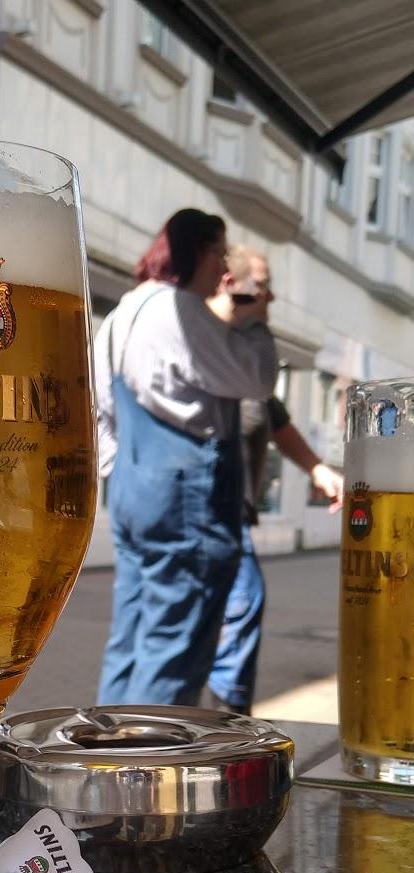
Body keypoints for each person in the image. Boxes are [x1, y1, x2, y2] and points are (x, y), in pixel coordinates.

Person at [94, 209, 278, 706]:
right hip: (185, 496)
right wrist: (256, 323)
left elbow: (101, 416)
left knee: (130, 640)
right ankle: (143, 767)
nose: (223, 268)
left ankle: (101, 758)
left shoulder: (118, 317)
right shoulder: (177, 308)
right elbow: (255, 377)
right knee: (175, 646)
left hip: (134, 492)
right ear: (198, 250)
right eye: (220, 251)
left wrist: (127, 470)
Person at [205, 246, 344, 714]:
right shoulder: (203, 342)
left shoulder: (248, 355)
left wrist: (318, 469)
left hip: (232, 514)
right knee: (241, 602)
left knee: (234, 608)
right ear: (231, 284)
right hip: (199, 511)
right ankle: (224, 717)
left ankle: (223, 716)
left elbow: (276, 421)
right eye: (263, 285)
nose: (272, 296)